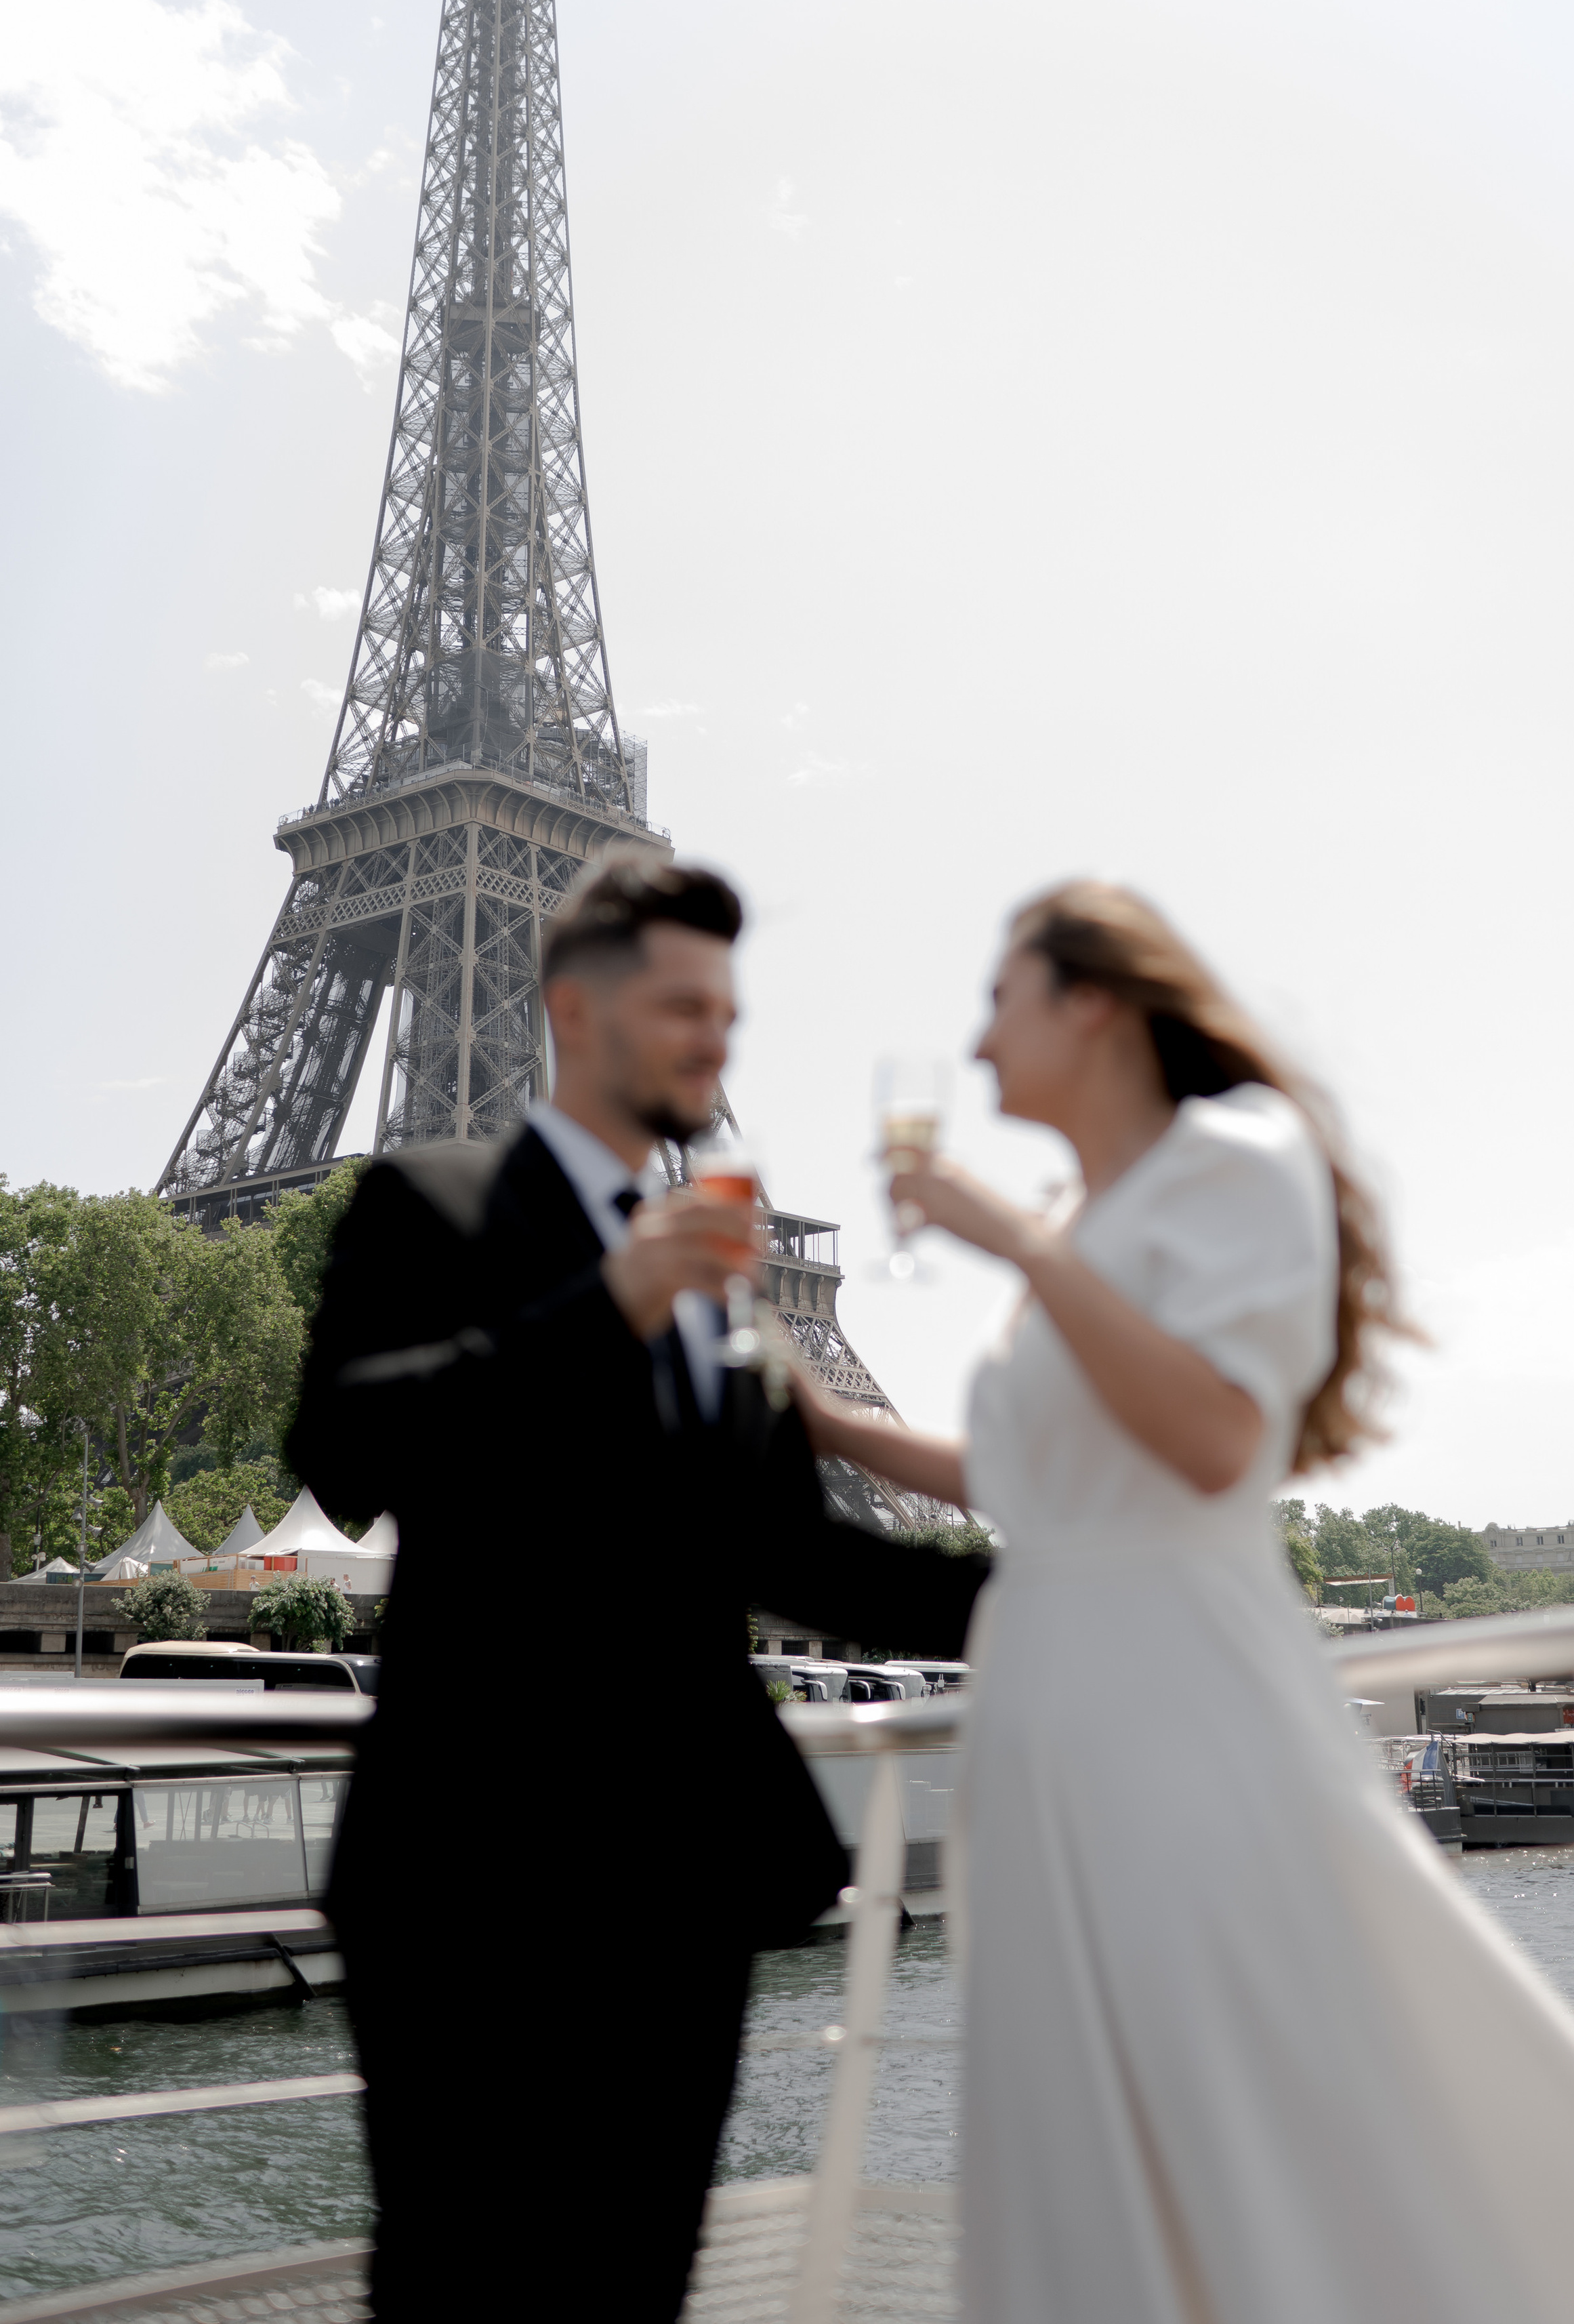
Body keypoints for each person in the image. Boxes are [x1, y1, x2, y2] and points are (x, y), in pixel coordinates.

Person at [798, 880, 1574, 2323]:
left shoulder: (1230, 1162)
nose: (975, 1052)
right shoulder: (1090, 1211)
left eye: (997, 1003)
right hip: (1050, 1721)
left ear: (1091, 1002)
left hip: (1176, 1708)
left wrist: (1021, 1250)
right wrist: (826, 1423)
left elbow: (1218, 1436)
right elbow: (1034, 1472)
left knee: (1256, 2109)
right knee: (1086, 2140)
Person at [287, 852, 989, 2323]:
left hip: (682, 1888)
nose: (713, 1039)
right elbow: (346, 1448)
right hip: (478, 1885)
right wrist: (602, 1305)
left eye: (725, 1012)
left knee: (635, 2293)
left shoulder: (723, 1290)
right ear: (573, 1011)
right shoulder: (433, 1202)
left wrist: (1063, 1602)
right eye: (681, 1005)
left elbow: (797, 1558)